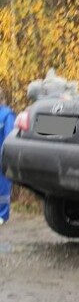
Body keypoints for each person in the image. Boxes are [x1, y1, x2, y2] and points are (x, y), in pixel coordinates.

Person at [0, 92, 15, 224]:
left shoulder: (7, 114)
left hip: (2, 158)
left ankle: (2, 215)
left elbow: (9, 137)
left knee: (3, 186)